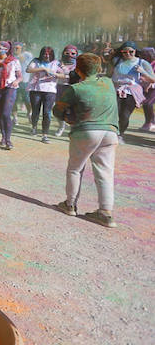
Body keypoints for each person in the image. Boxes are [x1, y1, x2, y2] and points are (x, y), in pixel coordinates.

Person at [53, 53, 120, 228]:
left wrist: (67, 117)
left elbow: (57, 111)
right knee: (105, 172)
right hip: (110, 132)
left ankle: (70, 205)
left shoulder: (76, 89)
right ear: (99, 69)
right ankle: (105, 213)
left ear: (77, 69)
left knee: (75, 169)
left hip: (86, 131)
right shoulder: (108, 83)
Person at [110, 41, 155, 143]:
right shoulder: (116, 61)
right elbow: (110, 74)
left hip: (132, 91)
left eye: (131, 52)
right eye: (124, 52)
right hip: (116, 89)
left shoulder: (142, 63)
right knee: (114, 112)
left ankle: (120, 134)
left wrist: (143, 72)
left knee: (125, 114)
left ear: (135, 51)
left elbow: (153, 79)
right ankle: (112, 133)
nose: (128, 54)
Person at [26, 46, 67, 143]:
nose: (46, 56)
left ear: (52, 55)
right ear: (41, 54)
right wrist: (43, 68)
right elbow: (28, 70)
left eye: (49, 54)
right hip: (35, 89)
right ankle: (34, 128)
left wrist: (54, 74)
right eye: (44, 54)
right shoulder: (35, 61)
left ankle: (45, 135)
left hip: (50, 90)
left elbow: (64, 75)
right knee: (35, 111)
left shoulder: (57, 63)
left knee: (47, 112)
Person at [55, 45, 79, 137]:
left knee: (72, 110)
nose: (70, 55)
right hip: (59, 87)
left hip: (73, 88)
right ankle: (61, 126)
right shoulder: (57, 63)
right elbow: (53, 73)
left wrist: (63, 76)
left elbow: (78, 76)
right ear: (63, 53)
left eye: (73, 53)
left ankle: (73, 128)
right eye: (67, 53)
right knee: (59, 109)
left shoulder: (78, 64)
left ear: (76, 54)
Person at [12, 42, 33, 126]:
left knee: (27, 100)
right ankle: (15, 118)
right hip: (14, 82)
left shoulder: (27, 54)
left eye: (17, 48)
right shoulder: (11, 57)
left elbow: (23, 59)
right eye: (14, 48)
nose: (15, 49)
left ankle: (29, 113)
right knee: (14, 100)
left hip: (25, 81)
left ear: (21, 48)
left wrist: (18, 56)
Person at [138, 47, 155, 132]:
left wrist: (148, 81)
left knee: (148, 104)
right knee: (145, 104)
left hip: (153, 87)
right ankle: (149, 121)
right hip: (145, 87)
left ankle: (150, 122)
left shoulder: (154, 64)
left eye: (145, 54)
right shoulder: (143, 63)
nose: (143, 56)